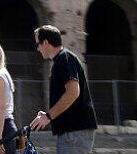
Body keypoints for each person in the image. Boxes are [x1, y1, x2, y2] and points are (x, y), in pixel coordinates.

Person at [29, 25, 98, 154]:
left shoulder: (64, 59)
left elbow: (73, 92)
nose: (37, 49)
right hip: (73, 131)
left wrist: (49, 116)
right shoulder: (62, 59)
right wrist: (47, 114)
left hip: (74, 131)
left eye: (38, 44)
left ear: (45, 42)